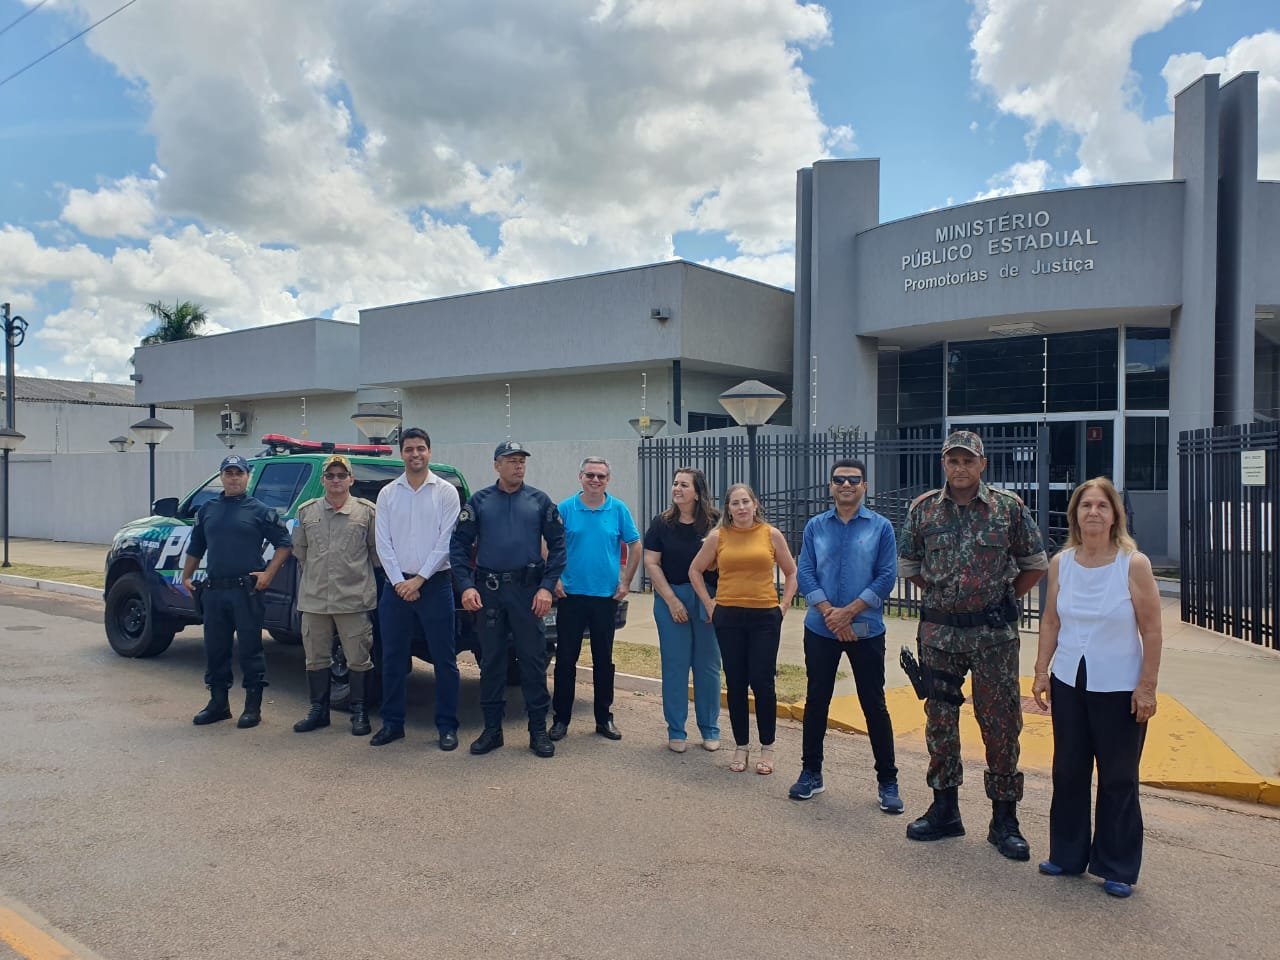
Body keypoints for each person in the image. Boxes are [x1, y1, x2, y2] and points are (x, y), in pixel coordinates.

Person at [897, 431, 1048, 860]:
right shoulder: (923, 510)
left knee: (1001, 724)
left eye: (968, 460)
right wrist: (945, 595)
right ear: (944, 464)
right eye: (952, 461)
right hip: (941, 636)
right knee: (940, 721)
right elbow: (909, 564)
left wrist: (1002, 599)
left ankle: (1005, 819)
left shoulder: (1007, 509)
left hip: (994, 638)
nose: (959, 468)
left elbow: (1035, 563)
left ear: (982, 465)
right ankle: (945, 809)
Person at [1032, 477, 1163, 898]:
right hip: (1070, 680)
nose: (1093, 512)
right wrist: (1040, 670)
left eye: (1102, 506)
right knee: (1068, 770)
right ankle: (1067, 855)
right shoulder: (1061, 563)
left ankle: (1117, 865)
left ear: (1114, 516)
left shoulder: (1133, 564)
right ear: (1075, 514)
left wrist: (1147, 687)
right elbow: (1051, 620)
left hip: (1118, 686)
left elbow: (1153, 630)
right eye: (1085, 505)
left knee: (1118, 777)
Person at [792, 459, 902, 812]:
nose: (846, 485)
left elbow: (886, 577)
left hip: (866, 629)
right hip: (820, 628)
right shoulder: (815, 527)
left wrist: (849, 613)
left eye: (853, 480)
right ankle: (811, 773)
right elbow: (804, 571)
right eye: (839, 480)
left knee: (874, 705)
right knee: (816, 701)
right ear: (830, 486)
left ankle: (888, 781)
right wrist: (829, 613)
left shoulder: (881, 527)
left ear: (864, 486)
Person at [450, 440, 566, 759]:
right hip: (488, 592)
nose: (518, 466)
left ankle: (538, 731)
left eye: (521, 461)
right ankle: (492, 730)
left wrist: (546, 586)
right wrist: (465, 586)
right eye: (511, 460)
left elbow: (558, 546)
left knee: (532, 661)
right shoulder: (480, 501)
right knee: (491, 661)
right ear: (496, 465)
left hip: (528, 593)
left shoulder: (540, 501)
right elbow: (458, 546)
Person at [689, 483, 797, 776]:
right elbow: (695, 570)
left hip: (765, 617)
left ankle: (768, 747)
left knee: (762, 683)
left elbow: (791, 572)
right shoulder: (718, 536)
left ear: (755, 504)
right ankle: (741, 746)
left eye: (745, 502)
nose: (741, 508)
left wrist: (784, 605)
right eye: (735, 503)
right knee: (736, 683)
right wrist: (710, 604)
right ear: (728, 509)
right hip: (729, 617)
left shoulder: (770, 534)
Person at [182, 453, 293, 728]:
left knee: (250, 650)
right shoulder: (207, 510)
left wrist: (269, 574)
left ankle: (252, 707)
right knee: (216, 650)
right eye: (229, 473)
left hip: (246, 592)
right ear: (221, 476)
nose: (234, 478)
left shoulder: (259, 510)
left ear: (247, 477)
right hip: (214, 591)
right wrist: (186, 576)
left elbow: (285, 543)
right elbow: (196, 547)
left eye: (239, 473)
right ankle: (218, 704)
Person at [372, 428, 462, 750]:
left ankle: (447, 726)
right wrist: (399, 582)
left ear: (430, 452)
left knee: (444, 659)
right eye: (409, 449)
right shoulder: (388, 494)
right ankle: (393, 724)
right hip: (395, 587)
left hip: (435, 585)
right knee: (392, 657)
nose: (415, 454)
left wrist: (419, 580)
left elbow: (447, 542)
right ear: (401, 453)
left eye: (421, 448)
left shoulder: (446, 492)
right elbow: (383, 543)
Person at [550, 457, 641, 742]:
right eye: (590, 475)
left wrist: (626, 581)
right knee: (566, 660)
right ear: (580, 477)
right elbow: (547, 543)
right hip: (571, 596)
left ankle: (604, 719)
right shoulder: (565, 508)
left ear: (608, 480)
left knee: (604, 660)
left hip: (605, 597)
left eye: (601, 476)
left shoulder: (618, 509)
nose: (595, 480)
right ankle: (561, 719)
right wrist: (554, 578)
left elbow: (635, 545)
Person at [291, 454, 379, 737]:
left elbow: (376, 554)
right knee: (315, 658)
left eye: (342, 475)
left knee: (358, 659)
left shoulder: (367, 512)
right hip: (315, 599)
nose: (336, 480)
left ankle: (359, 712)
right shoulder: (306, 512)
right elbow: (301, 552)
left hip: (353, 599)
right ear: (323, 480)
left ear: (351, 479)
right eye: (331, 476)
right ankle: (318, 711)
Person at [643, 467, 722, 753]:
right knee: (675, 666)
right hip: (671, 597)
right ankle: (676, 729)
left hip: (708, 600)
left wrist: (714, 603)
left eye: (684, 485)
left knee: (708, 666)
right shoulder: (662, 523)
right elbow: (651, 563)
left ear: (697, 492)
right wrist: (672, 600)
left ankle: (710, 728)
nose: (677, 488)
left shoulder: (715, 522)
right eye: (675, 483)